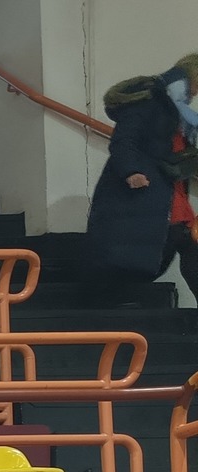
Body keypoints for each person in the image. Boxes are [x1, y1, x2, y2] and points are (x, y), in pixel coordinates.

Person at [87, 55, 198, 301]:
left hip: (169, 190)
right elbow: (124, 140)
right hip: (149, 190)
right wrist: (131, 171)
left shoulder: (180, 111)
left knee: (187, 246)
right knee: (170, 247)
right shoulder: (150, 101)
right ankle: (113, 302)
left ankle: (119, 300)